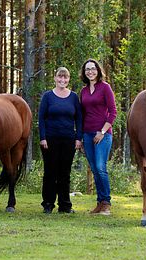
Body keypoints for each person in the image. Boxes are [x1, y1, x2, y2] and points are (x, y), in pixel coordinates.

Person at [38, 67, 83, 214]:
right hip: (50, 140)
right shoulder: (47, 96)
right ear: (55, 78)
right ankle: (48, 204)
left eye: (65, 77)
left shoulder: (74, 97)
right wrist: (43, 137)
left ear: (69, 79)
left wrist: (78, 138)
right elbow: (41, 118)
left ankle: (64, 205)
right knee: (50, 172)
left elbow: (79, 119)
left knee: (65, 173)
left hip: (69, 140)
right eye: (60, 77)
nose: (62, 80)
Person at [79, 59, 116, 216]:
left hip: (103, 134)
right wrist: (80, 137)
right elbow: (82, 114)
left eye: (93, 69)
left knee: (101, 168)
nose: (90, 72)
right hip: (87, 134)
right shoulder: (84, 91)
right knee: (94, 169)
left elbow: (113, 112)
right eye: (87, 69)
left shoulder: (105, 88)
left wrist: (102, 132)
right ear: (84, 72)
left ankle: (106, 203)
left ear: (98, 71)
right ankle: (99, 203)